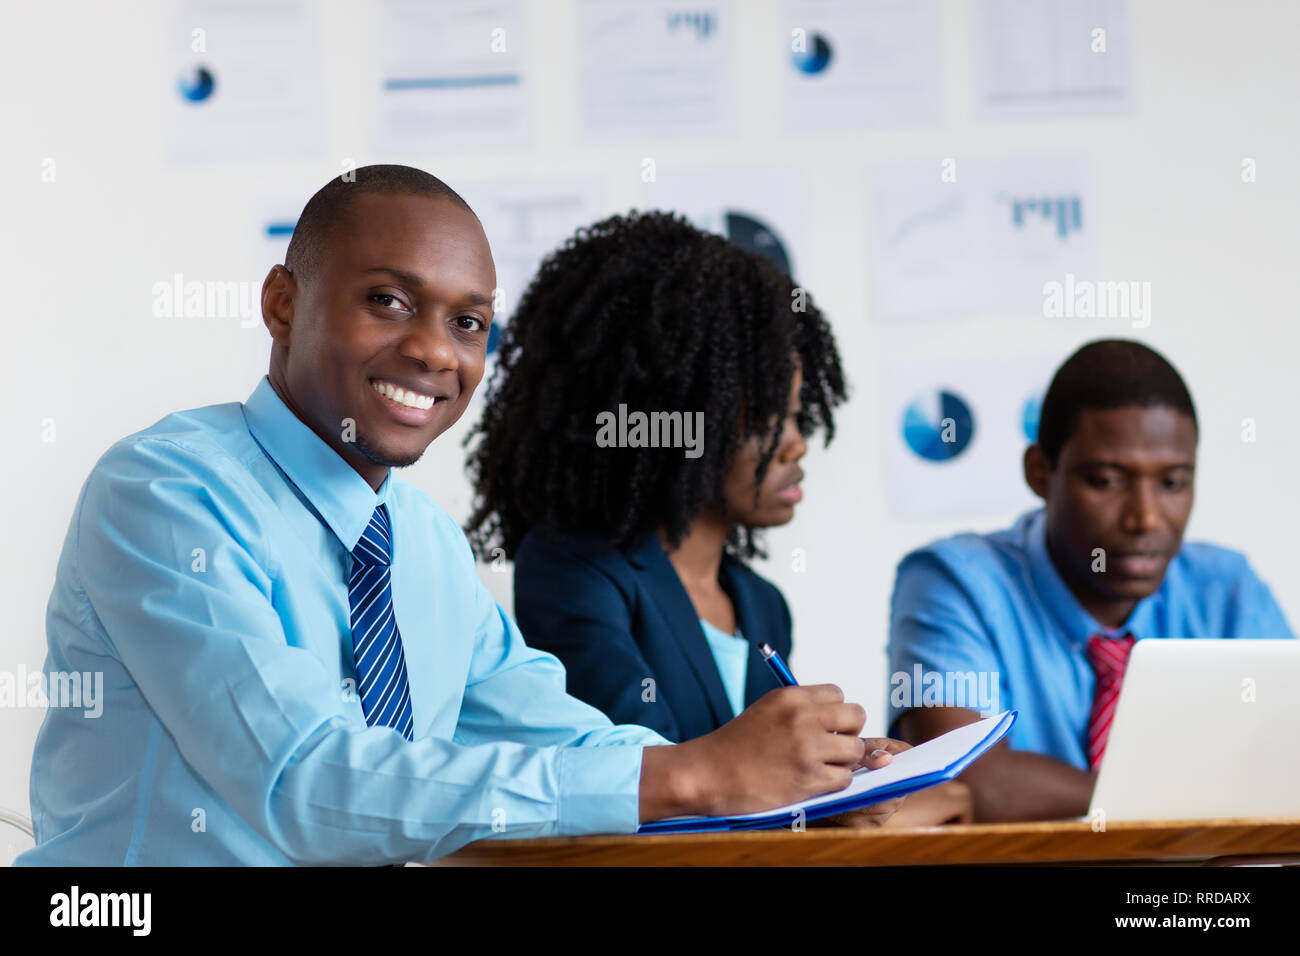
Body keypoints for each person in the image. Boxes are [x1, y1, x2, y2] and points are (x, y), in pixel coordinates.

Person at [18, 166, 899, 866]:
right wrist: (691, 776)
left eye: (470, 322)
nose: (436, 350)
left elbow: (561, 734)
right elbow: (303, 782)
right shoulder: (170, 494)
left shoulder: (423, 546)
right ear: (282, 304)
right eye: (388, 302)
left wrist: (814, 780)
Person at [466, 210, 970, 827]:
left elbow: (768, 778)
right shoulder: (576, 571)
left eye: (797, 415)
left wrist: (850, 769)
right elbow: (645, 789)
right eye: (766, 420)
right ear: (671, 422)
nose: (797, 445)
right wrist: (817, 805)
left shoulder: (761, 602)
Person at [887, 339, 1295, 822]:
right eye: (1105, 480)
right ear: (1040, 473)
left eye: (1172, 483)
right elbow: (968, 782)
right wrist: (1192, 800)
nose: (1145, 519)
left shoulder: (1227, 588)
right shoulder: (954, 581)